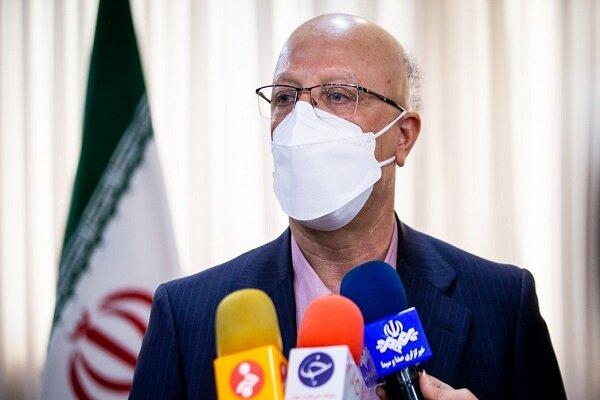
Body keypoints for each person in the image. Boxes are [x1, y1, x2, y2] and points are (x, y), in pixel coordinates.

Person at [130, 14, 565, 400]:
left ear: (403, 136)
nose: (301, 119)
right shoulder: (186, 314)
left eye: (338, 95)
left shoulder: (502, 304)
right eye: (284, 97)